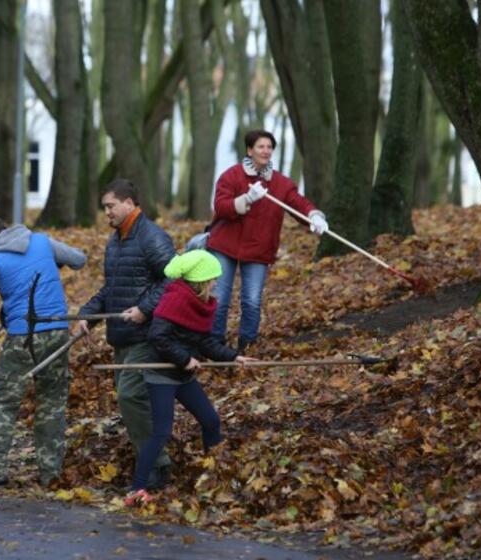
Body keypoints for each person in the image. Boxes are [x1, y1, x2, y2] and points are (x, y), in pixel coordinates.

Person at [124, 250, 256, 506]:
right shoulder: (174, 300)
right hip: (162, 374)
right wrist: (184, 359)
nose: (216, 283)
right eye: (213, 279)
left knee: (210, 420)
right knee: (161, 432)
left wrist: (232, 357)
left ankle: (216, 476)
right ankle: (137, 488)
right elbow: (157, 337)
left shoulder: (201, 304)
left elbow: (204, 340)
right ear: (200, 281)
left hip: (182, 376)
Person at [0, 215, 86, 487]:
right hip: (57, 332)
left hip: (22, 337)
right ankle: (50, 472)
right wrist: (53, 260)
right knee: (52, 401)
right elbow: (79, 259)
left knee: (4, 400)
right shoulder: (41, 242)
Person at [74, 178, 177, 489]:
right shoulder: (115, 240)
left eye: (110, 206)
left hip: (147, 334)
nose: (106, 213)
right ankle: (150, 465)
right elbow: (111, 289)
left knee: (131, 396)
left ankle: (157, 466)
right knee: (130, 401)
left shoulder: (152, 237)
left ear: (129, 204)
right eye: (105, 208)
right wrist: (88, 316)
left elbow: (173, 281)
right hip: (121, 335)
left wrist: (145, 308)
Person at [206, 129, 329, 353]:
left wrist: (313, 216)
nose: (266, 151)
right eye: (261, 147)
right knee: (220, 299)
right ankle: (215, 345)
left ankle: (247, 346)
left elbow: (297, 203)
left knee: (251, 301)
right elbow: (221, 207)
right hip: (225, 246)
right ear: (250, 150)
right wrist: (243, 199)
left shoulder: (280, 183)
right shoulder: (232, 176)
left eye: (269, 147)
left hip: (259, 248)